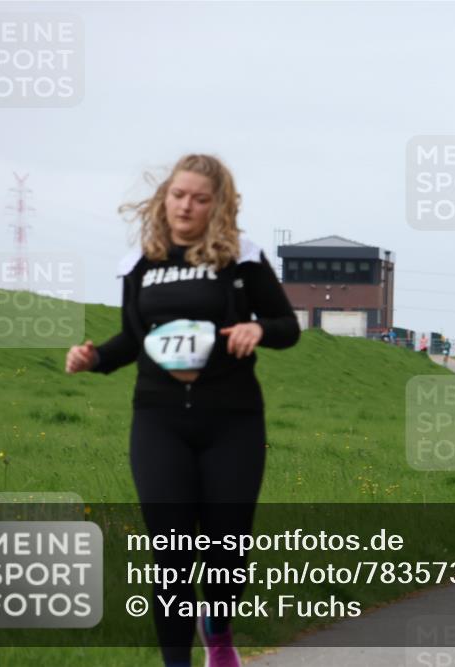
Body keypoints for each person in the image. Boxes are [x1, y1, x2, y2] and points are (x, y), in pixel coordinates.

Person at [65, 155, 300, 667]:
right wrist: (95, 358)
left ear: (218, 204)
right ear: (164, 198)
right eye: (178, 195)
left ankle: (217, 633)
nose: (186, 206)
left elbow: (287, 325)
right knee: (170, 554)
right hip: (159, 419)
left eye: (199, 198)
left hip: (232, 418)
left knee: (227, 547)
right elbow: (132, 338)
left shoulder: (243, 259)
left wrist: (258, 329)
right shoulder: (140, 264)